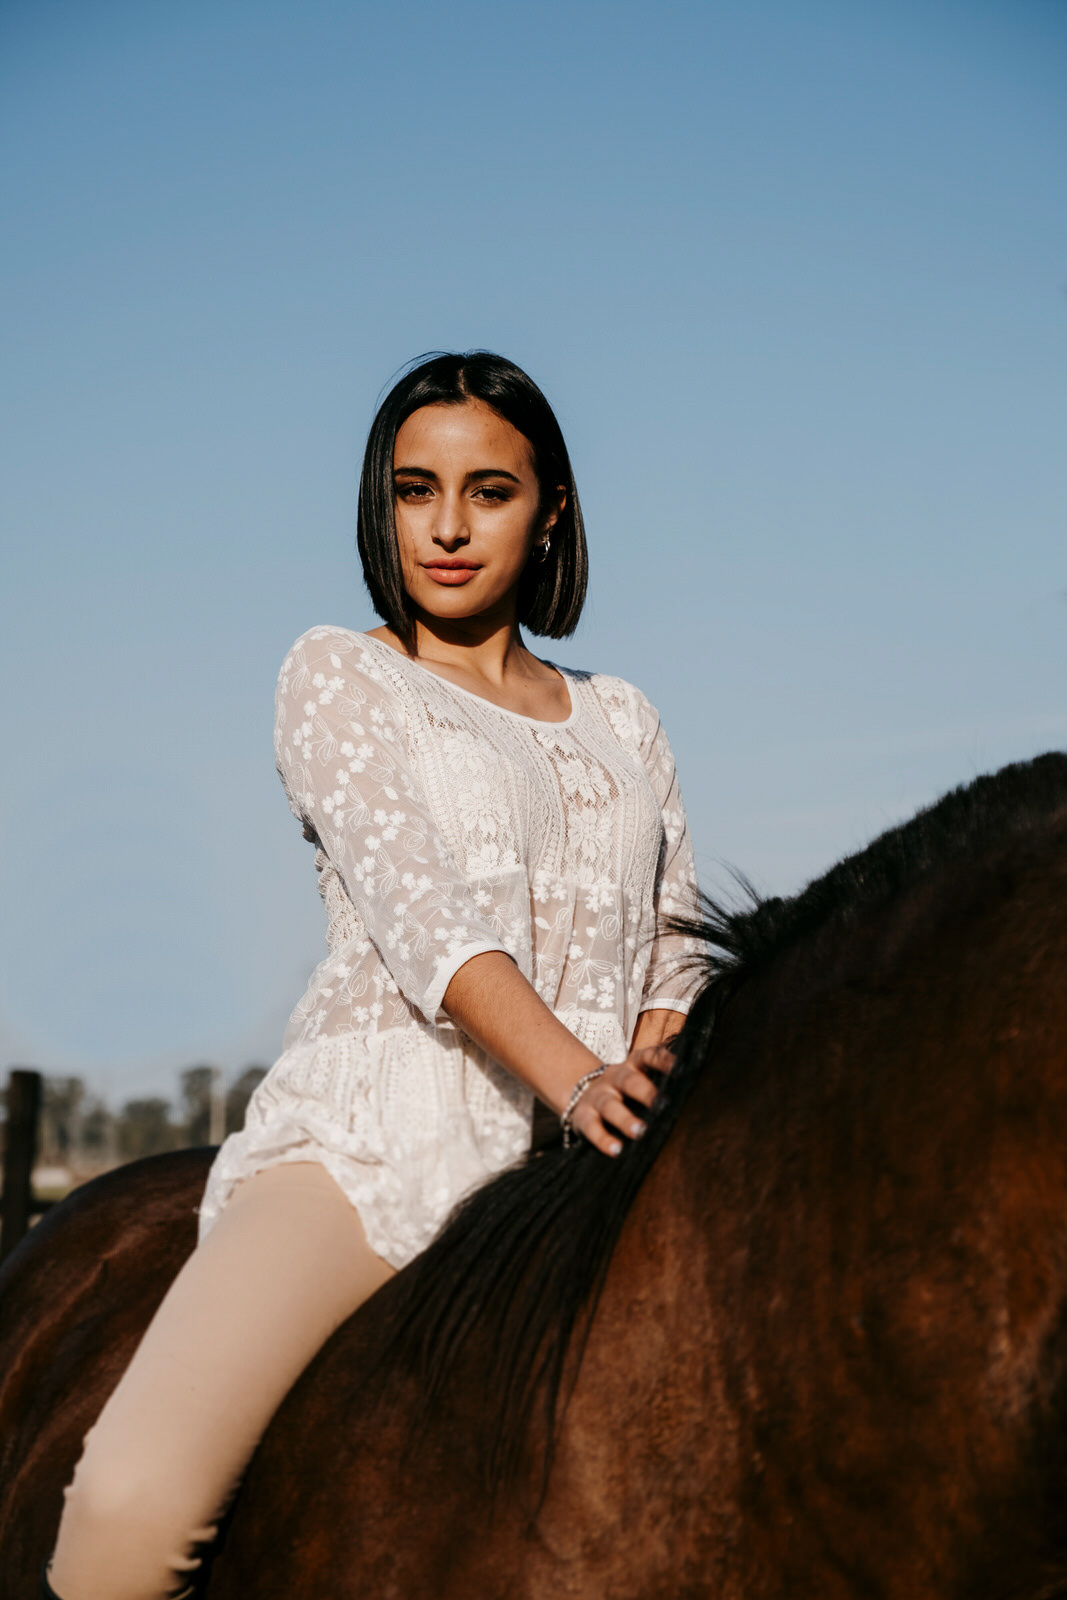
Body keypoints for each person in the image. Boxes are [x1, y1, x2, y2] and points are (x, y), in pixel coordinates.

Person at [44, 351, 700, 1600]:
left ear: (549, 508)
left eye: (488, 490)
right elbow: (426, 921)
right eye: (415, 489)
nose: (446, 526)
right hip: (379, 1144)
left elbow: (672, 931)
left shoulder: (624, 716)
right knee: (130, 1504)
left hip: (595, 1157)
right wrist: (577, 1080)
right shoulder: (341, 677)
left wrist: (648, 1064)